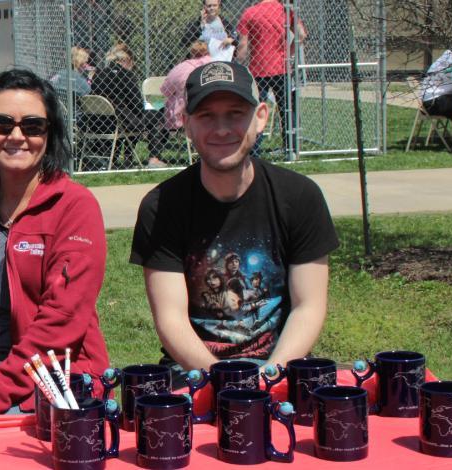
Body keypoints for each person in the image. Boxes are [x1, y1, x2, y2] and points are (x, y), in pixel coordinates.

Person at [129, 61, 338, 387]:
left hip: (280, 367)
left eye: (236, 113)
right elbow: (171, 319)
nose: (222, 128)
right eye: (206, 116)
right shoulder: (161, 207)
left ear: (261, 117)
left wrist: (270, 376)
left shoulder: (300, 197)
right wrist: (226, 383)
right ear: (186, 124)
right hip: (194, 372)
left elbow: (308, 307)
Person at [0, 69, 110, 415]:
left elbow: (60, 323)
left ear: (49, 133)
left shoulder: (74, 206)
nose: (16, 136)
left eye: (32, 126)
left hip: (53, 382)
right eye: (1, 124)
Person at [236, 0, 306, 153]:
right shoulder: (285, 11)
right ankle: (291, 148)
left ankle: (253, 148)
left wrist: (237, 64)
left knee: (256, 108)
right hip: (282, 67)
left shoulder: (250, 13)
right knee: (287, 108)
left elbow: (243, 46)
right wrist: (288, 52)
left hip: (258, 69)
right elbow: (301, 35)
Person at [87, 44, 169, 167]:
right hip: (123, 122)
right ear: (125, 60)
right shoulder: (126, 75)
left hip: (100, 121)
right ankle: (154, 158)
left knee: (138, 116)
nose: (132, 65)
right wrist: (151, 105)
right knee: (158, 115)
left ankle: (127, 157)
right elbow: (137, 105)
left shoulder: (98, 75)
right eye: (131, 61)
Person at [162, 41, 215, 137]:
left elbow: (165, 91)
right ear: (208, 52)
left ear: (191, 52)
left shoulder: (181, 68)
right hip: (212, 107)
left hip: (184, 112)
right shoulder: (216, 64)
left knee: (158, 103)